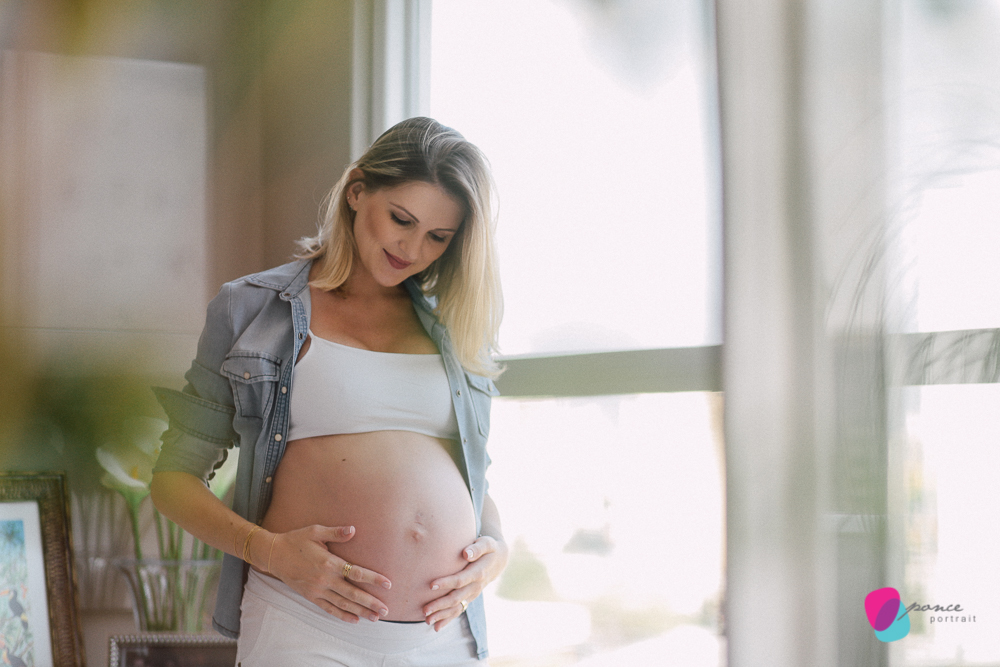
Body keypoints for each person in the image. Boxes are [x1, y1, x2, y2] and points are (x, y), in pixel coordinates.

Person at [150, 117, 507, 666]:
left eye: (438, 237)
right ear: (358, 191)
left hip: (444, 637)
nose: (413, 248)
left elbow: (473, 478)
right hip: (306, 626)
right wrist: (266, 550)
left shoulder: (453, 329)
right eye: (402, 220)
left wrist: (497, 550)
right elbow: (172, 481)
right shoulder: (251, 311)